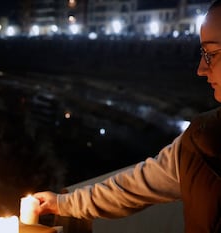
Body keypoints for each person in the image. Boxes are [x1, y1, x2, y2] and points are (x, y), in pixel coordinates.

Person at [33, 1, 221, 233]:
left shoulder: (199, 143)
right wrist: (62, 204)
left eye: (212, 53)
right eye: (202, 54)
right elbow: (133, 187)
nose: (201, 69)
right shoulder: (197, 142)